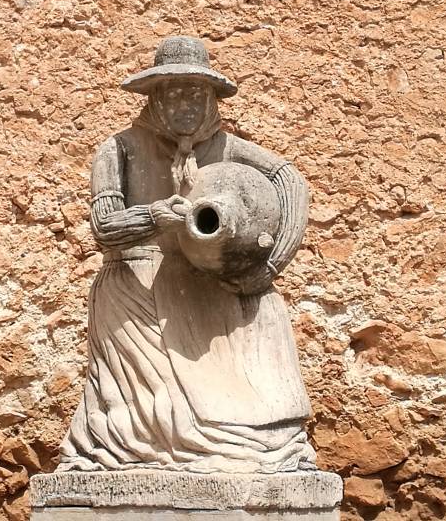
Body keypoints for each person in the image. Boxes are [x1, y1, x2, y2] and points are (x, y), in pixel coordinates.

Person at [58, 36, 316, 474]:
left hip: (209, 281)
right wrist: (156, 216)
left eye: (197, 93)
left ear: (212, 98)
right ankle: (154, 445)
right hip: (137, 284)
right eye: (174, 92)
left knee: (266, 310)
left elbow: (290, 180)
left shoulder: (228, 148)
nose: (186, 104)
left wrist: (272, 264)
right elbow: (104, 229)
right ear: (155, 97)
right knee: (162, 416)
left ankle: (272, 443)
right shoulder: (118, 149)